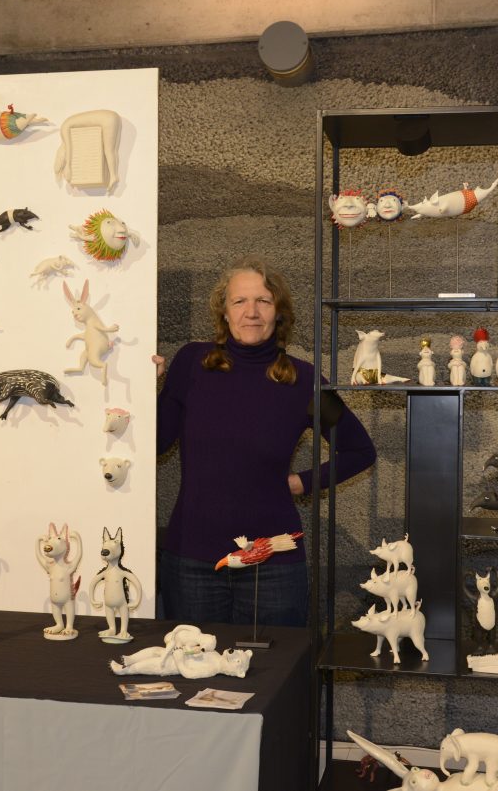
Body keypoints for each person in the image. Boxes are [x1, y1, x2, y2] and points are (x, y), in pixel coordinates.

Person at [155, 258, 377, 627]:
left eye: (263, 301)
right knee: (192, 662)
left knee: (275, 663)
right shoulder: (191, 363)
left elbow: (360, 451)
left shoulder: (305, 381)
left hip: (274, 566)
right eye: (239, 301)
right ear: (224, 312)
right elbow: (157, 443)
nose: (252, 312)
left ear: (279, 312)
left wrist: (302, 482)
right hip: (192, 562)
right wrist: (146, 388)